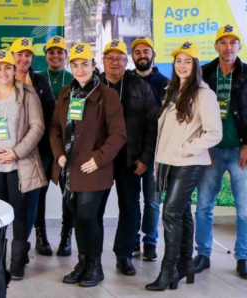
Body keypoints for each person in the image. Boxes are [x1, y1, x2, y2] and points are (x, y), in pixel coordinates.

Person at [50, 43, 126, 288]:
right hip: (69, 169)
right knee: (76, 216)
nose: (80, 69)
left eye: (85, 64)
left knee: (88, 217)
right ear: (70, 67)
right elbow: (54, 129)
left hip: (94, 169)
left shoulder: (107, 95)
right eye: (75, 65)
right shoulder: (65, 93)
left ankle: (95, 266)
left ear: (94, 66)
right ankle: (82, 263)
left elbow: (118, 135)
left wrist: (98, 158)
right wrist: (59, 153)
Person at [147, 41, 222, 291]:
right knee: (181, 213)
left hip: (189, 162)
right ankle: (185, 265)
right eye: (178, 61)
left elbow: (214, 133)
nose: (181, 65)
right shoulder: (171, 90)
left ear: (196, 65)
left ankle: (169, 270)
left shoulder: (204, 94)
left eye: (187, 61)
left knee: (169, 212)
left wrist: (186, 147)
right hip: (169, 161)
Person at [0, 49, 46, 280]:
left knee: (21, 215)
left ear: (14, 69)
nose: (3, 72)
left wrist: (16, 152)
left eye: (7, 67)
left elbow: (37, 126)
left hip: (19, 166)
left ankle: (18, 262)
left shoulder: (28, 94)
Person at [195, 24, 247, 280]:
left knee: (244, 210)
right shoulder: (205, 73)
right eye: (223, 42)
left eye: (233, 42)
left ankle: (244, 258)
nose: (228, 47)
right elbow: (194, 114)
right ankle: (202, 254)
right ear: (216, 46)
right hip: (211, 152)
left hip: (241, 151)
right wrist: (203, 147)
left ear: (239, 47)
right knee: (202, 207)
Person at [99, 39, 159, 276]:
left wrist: (145, 157)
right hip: (100, 159)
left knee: (130, 209)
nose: (115, 62)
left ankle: (123, 255)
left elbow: (151, 124)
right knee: (92, 211)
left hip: (131, 159)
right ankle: (91, 258)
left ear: (127, 61)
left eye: (120, 58)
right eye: (110, 58)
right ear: (102, 61)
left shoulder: (140, 86)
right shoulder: (93, 85)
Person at [9, 37, 57, 257]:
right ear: (11, 56)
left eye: (28, 55)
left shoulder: (40, 82)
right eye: (19, 54)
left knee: (35, 197)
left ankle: (35, 238)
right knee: (14, 198)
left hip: (38, 151)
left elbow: (50, 114)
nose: (24, 58)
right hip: (8, 151)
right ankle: (14, 243)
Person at [130, 36, 169, 262]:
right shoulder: (127, 82)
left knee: (153, 201)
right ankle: (133, 240)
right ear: (132, 56)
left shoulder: (166, 84)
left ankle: (151, 243)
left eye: (146, 51)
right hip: (132, 154)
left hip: (157, 154)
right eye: (137, 52)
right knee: (132, 201)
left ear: (153, 55)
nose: (142, 55)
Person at [36, 35, 75, 257]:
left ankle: (66, 236)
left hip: (66, 146)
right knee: (38, 193)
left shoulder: (73, 79)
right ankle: (40, 235)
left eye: (60, 52)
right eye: (52, 52)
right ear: (46, 56)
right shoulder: (38, 78)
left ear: (65, 55)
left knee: (68, 192)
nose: (56, 55)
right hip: (41, 145)